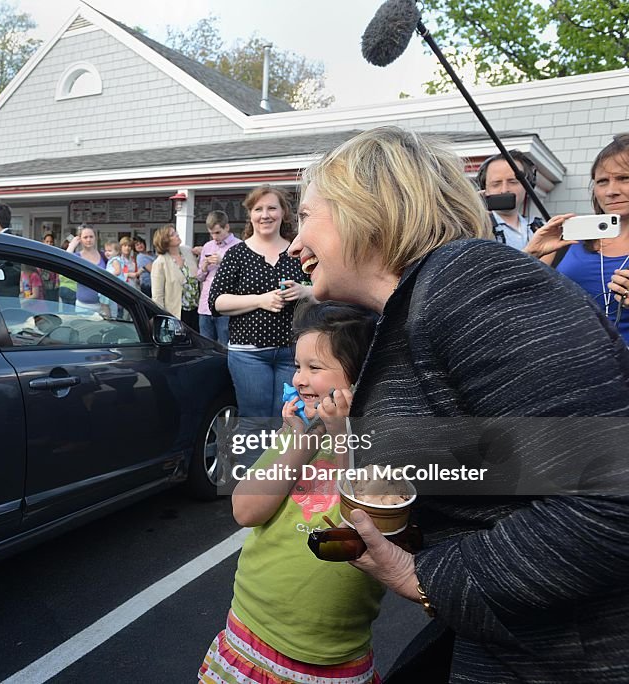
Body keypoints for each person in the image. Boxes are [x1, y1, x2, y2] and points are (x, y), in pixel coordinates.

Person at [288, 126, 629, 684]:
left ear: (366, 206)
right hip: (515, 638)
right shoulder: (422, 298)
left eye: (306, 216)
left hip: (573, 653)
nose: (296, 244)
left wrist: (421, 577)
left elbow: (610, 495)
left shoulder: (470, 280)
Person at [200, 301, 384, 684]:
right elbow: (246, 511)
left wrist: (341, 438)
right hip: (250, 630)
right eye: (297, 365)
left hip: (332, 652)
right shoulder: (300, 432)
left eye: (314, 368)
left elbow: (364, 523)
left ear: (362, 377)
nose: (299, 379)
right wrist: (301, 441)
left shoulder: (382, 445)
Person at [210, 186, 310, 428]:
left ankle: (282, 466)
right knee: (254, 421)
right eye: (258, 209)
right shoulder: (237, 254)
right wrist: (260, 299)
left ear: (283, 213)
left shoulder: (298, 252)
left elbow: (327, 291)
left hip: (292, 353)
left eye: (272, 208)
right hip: (248, 354)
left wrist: (305, 291)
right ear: (251, 215)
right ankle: (251, 467)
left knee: (288, 419)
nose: (265, 215)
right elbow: (217, 301)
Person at [538, 134, 629, 346]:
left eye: (625, 178)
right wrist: (532, 253)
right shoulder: (569, 239)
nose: (611, 191)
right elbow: (520, 296)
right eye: (602, 181)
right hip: (571, 365)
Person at [476, 150, 544, 250]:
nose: (504, 190)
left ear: (528, 186)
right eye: (496, 184)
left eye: (513, 182)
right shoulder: (475, 228)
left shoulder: (540, 228)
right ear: (484, 190)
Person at [196, 210, 241, 345]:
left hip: (226, 305)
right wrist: (203, 267)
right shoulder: (207, 246)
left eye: (217, 232)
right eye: (211, 233)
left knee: (225, 345)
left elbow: (243, 275)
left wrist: (224, 262)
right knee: (205, 346)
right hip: (205, 305)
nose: (214, 237)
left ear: (226, 227)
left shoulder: (239, 245)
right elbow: (199, 277)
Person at [151, 223, 200, 330]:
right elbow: (157, 295)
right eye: (172, 234)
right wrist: (161, 317)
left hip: (196, 309)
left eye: (175, 232)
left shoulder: (187, 251)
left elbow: (199, 275)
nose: (177, 235)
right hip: (177, 312)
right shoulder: (160, 262)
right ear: (165, 241)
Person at [65, 223, 107, 310]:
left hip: (102, 305)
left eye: (91, 236)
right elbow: (65, 262)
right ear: (80, 239)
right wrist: (72, 245)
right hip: (83, 305)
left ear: (95, 238)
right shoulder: (77, 256)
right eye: (85, 237)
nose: (88, 240)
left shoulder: (103, 255)